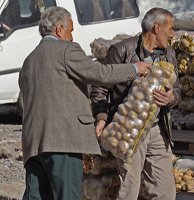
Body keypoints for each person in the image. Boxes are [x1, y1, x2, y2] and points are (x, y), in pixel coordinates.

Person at [18, 6, 150, 200]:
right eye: (71, 30)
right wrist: (134, 68)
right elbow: (99, 74)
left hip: (33, 144)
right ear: (59, 29)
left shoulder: (29, 60)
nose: (72, 37)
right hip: (62, 142)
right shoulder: (66, 49)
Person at [91, 7, 181, 200]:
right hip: (128, 130)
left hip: (158, 130)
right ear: (157, 28)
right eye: (171, 29)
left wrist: (171, 98)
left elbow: (179, 91)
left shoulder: (169, 53)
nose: (173, 34)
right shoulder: (122, 50)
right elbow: (100, 87)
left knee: (165, 190)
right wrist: (101, 117)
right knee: (129, 189)